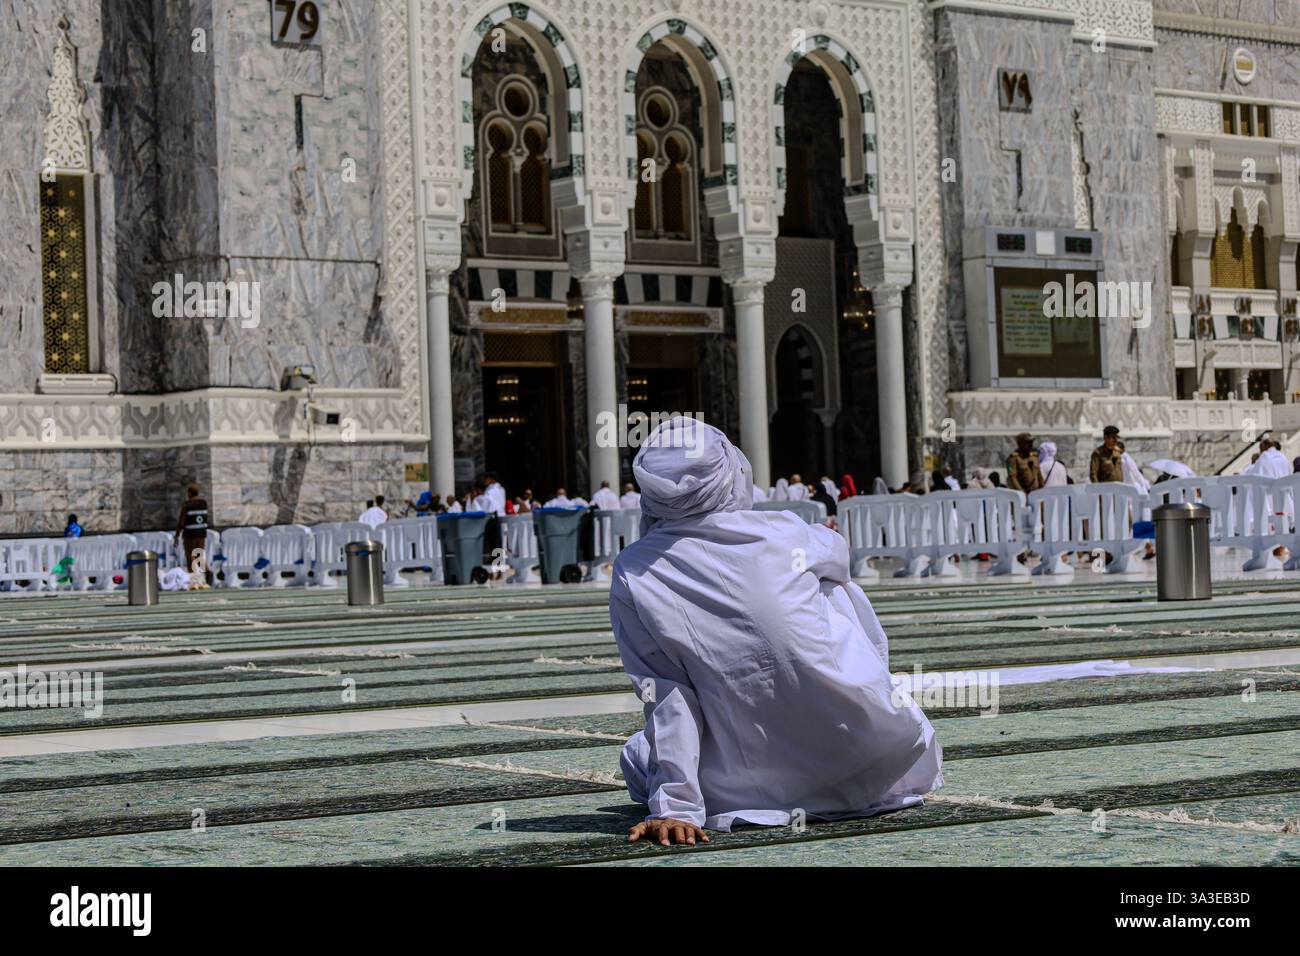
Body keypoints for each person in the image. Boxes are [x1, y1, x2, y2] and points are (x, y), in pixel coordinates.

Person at [613, 418, 942, 844]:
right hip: (872, 761)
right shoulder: (785, 531)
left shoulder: (635, 569)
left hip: (742, 787)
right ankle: (865, 709)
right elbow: (838, 553)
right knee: (831, 585)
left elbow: (667, 693)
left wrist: (674, 807)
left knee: (637, 755)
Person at [174, 483, 211, 573]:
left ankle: (193, 577)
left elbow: (181, 521)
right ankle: (207, 575)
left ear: (189, 493)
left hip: (190, 536)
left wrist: (177, 535)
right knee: (199, 557)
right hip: (201, 535)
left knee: (191, 559)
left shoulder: (187, 504)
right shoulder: (203, 503)